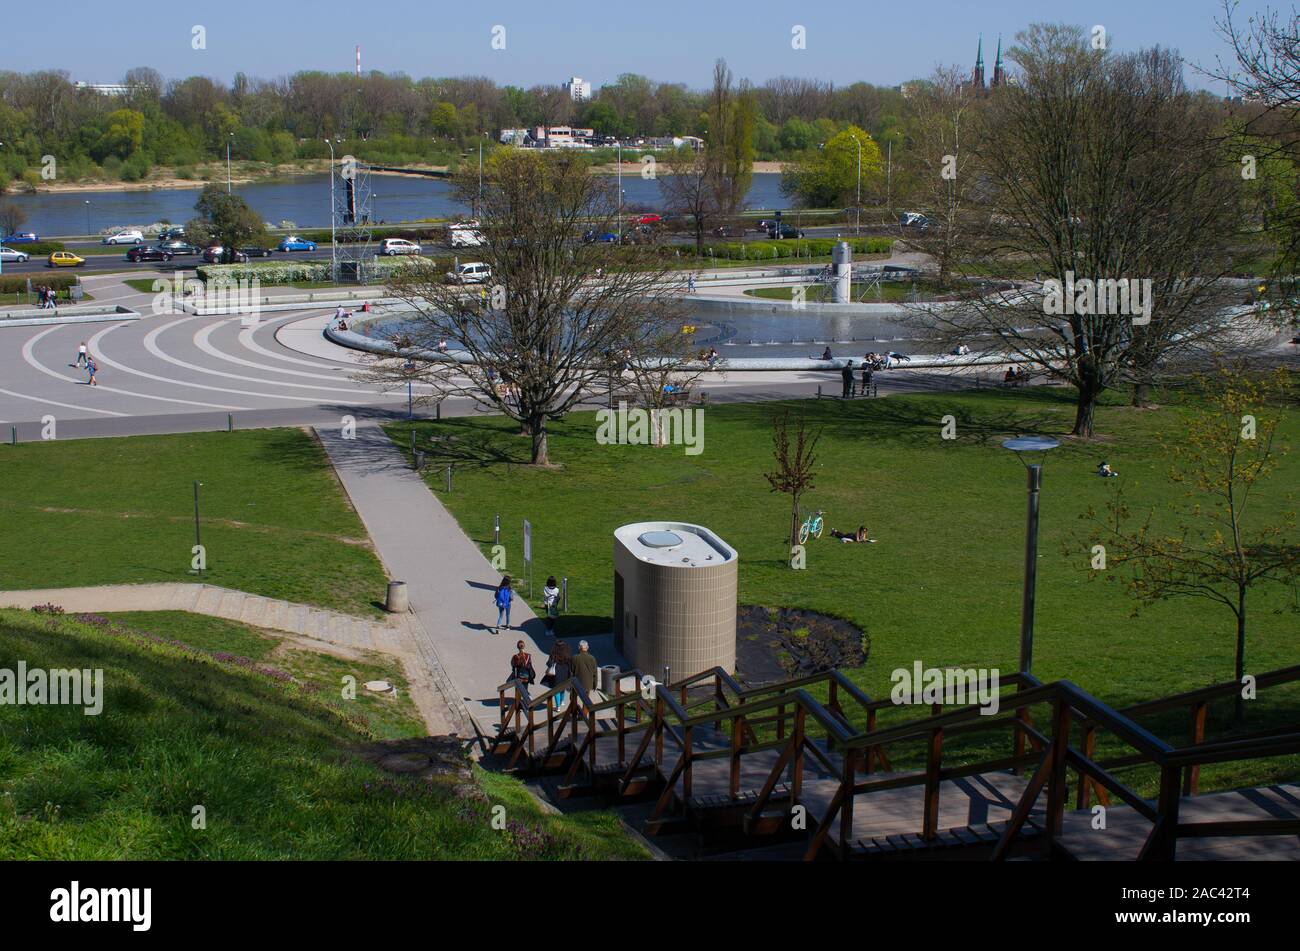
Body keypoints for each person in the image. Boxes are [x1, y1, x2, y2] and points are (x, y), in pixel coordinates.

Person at [546, 640, 573, 711]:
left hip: (556, 671)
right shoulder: (567, 652)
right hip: (565, 671)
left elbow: (549, 663)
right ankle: (562, 701)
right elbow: (570, 661)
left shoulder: (553, 652)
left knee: (556, 689)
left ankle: (558, 706)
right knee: (563, 686)